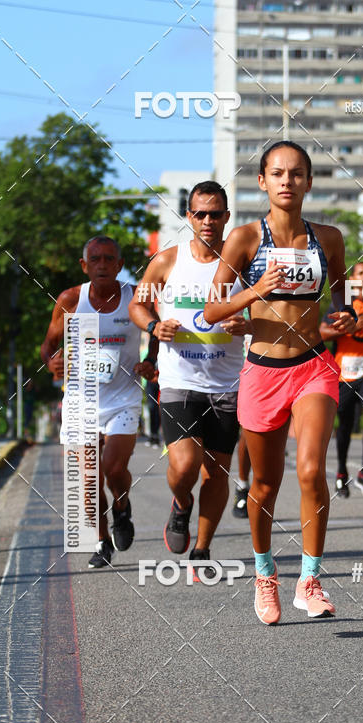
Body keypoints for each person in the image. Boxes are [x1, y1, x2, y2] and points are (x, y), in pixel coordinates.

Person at [204, 140, 357, 625]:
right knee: (265, 485)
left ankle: (309, 580)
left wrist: (346, 316)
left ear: (309, 182)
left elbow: (342, 296)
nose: (287, 181)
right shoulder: (245, 239)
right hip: (263, 372)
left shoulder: (328, 238)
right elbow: (212, 310)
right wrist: (255, 291)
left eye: (296, 173)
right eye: (277, 173)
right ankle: (265, 575)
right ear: (262, 182)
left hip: (314, 367)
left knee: (311, 472)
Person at [130, 181, 248, 571]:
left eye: (215, 214)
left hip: (227, 384)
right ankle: (182, 503)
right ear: (189, 216)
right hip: (179, 381)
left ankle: (202, 549)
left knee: (216, 472)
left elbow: (267, 312)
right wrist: (153, 326)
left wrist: (246, 325)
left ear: (226, 217)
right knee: (184, 465)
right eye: (200, 214)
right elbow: (138, 305)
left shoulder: (242, 262)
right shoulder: (167, 261)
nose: (207, 221)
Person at [40, 235, 154, 568]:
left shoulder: (135, 298)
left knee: (114, 469)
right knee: (87, 480)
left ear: (120, 265)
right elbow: (48, 345)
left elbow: (157, 331)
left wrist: (151, 361)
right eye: (95, 259)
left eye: (109, 259)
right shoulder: (71, 300)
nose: (102, 265)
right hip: (80, 400)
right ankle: (103, 541)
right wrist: (51, 362)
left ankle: (122, 507)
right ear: (84, 265)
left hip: (123, 398)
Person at [320, 261, 363, 497]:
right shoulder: (341, 305)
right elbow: (322, 333)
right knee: (345, 425)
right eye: (361, 273)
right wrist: (352, 327)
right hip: (343, 375)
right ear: (352, 279)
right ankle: (341, 473)